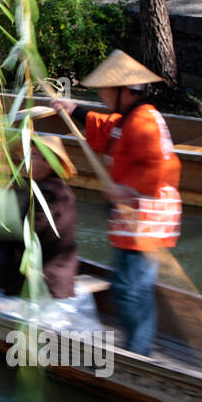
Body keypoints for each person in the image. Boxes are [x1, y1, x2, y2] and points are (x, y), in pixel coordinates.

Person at [52, 50, 181, 355]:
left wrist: (128, 189)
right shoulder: (129, 119)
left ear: (126, 91)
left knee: (131, 288)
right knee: (128, 285)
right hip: (134, 213)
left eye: (106, 90)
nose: (101, 95)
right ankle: (137, 345)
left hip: (146, 213)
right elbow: (106, 127)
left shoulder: (145, 120)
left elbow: (165, 167)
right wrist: (74, 110)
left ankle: (138, 352)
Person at [0, 134, 79, 300]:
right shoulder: (59, 189)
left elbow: (28, 231)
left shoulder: (47, 192)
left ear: (49, 164)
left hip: (44, 279)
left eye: (33, 156)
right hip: (56, 273)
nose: (27, 161)